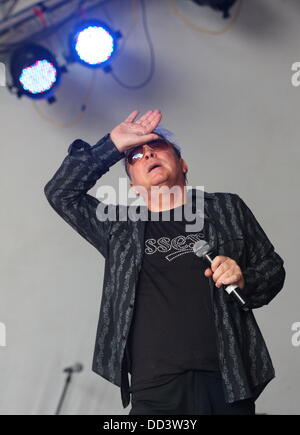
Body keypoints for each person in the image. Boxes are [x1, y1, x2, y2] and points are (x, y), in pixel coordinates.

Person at [44, 109, 285, 415]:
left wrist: (244, 278)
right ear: (132, 185)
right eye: (134, 156)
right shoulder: (119, 226)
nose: (146, 153)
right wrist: (112, 146)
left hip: (228, 384)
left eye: (156, 146)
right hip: (153, 391)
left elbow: (274, 268)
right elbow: (60, 193)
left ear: (182, 164)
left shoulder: (227, 208)